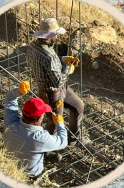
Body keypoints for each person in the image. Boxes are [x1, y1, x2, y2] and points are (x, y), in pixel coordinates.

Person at [26, 18, 84, 146]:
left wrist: (63, 59)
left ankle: (73, 139)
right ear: (50, 35)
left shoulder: (33, 46)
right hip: (52, 94)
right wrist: (69, 68)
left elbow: (48, 62)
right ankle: (47, 150)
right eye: (56, 33)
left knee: (78, 106)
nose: (58, 36)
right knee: (54, 124)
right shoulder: (48, 55)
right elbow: (57, 81)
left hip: (61, 90)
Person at [3, 81, 67, 179]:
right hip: (29, 175)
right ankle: (45, 153)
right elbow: (63, 141)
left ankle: (45, 153)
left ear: (23, 112)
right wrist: (60, 123)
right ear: (39, 119)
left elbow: (10, 98)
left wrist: (19, 91)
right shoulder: (40, 138)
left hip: (9, 167)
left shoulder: (10, 122)